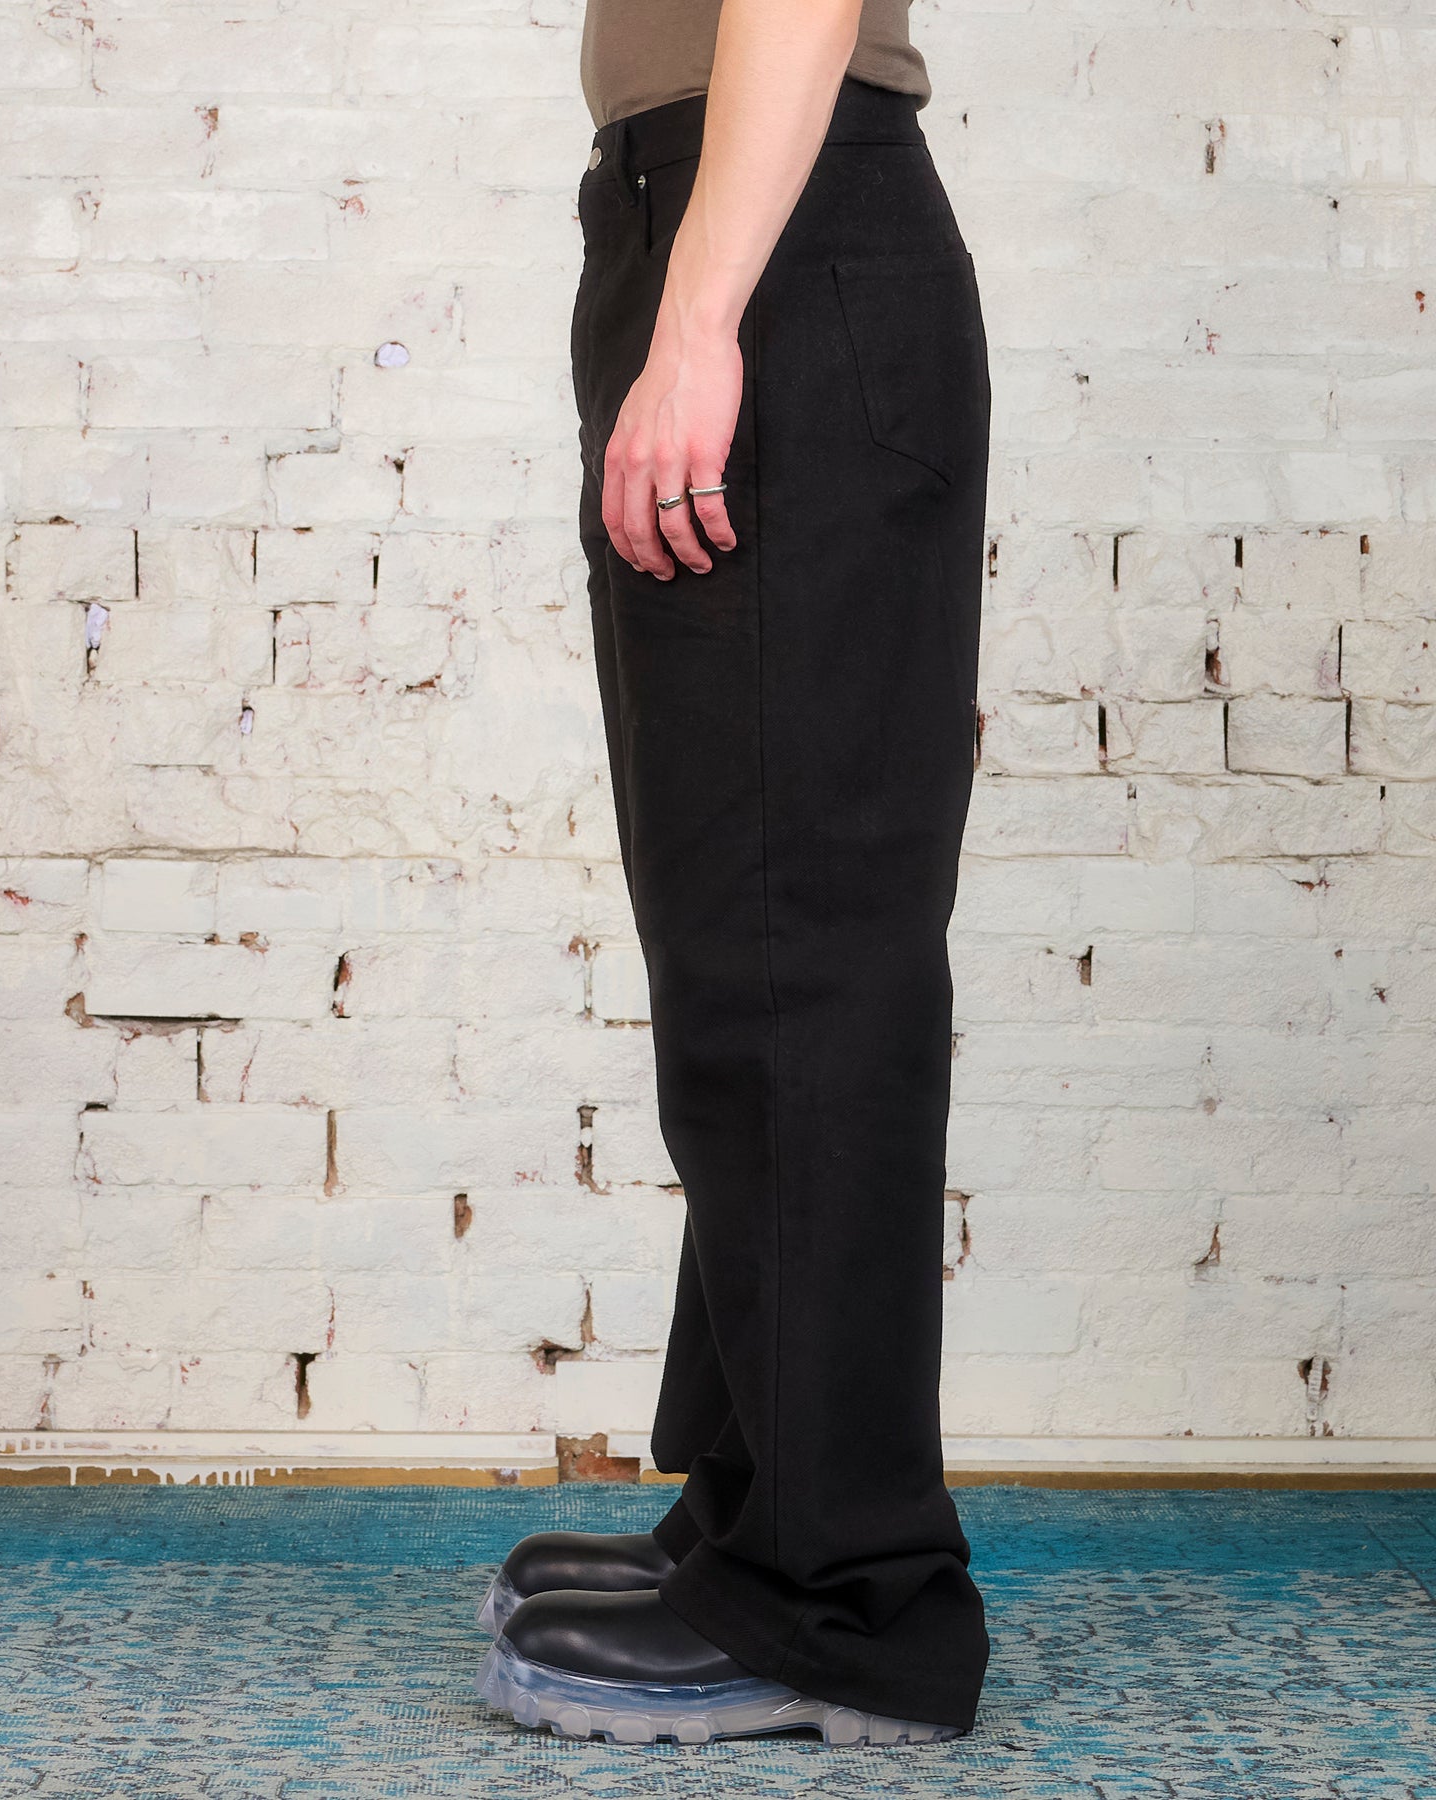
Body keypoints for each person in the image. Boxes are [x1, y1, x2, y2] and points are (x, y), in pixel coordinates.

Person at [476, 0, 992, 1747]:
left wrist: (700, 319)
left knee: (798, 945)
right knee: (742, 936)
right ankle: (760, 1517)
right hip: (724, 224)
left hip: (773, 243)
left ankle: (850, 1600)